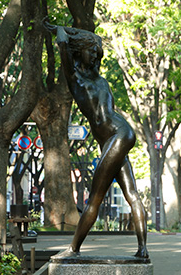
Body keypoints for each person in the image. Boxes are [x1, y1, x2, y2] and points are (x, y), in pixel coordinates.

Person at [45, 21, 148, 260]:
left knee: (95, 198)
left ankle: (73, 249)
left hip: (117, 134)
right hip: (116, 137)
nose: (94, 55)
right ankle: (143, 250)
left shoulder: (98, 80)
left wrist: (64, 33)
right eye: (90, 50)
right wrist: (60, 33)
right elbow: (63, 47)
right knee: (131, 193)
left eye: (96, 51)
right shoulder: (75, 79)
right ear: (78, 51)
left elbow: (66, 42)